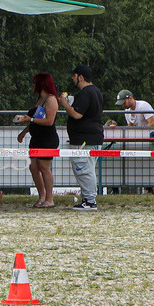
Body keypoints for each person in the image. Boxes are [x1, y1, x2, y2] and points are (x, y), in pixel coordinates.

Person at [58, 64, 104, 210]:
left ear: (81, 77)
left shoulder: (86, 93)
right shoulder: (95, 91)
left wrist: (65, 104)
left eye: (74, 76)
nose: (72, 78)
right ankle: (87, 199)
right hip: (93, 137)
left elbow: (77, 114)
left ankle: (90, 201)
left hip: (85, 139)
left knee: (83, 169)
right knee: (87, 168)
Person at [16, 73, 60, 208]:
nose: (33, 86)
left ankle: (49, 198)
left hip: (47, 138)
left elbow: (49, 121)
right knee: (33, 167)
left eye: (35, 83)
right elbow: (35, 119)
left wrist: (31, 119)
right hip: (36, 137)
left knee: (44, 167)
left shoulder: (51, 100)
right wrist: (24, 131)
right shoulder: (41, 98)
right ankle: (41, 196)